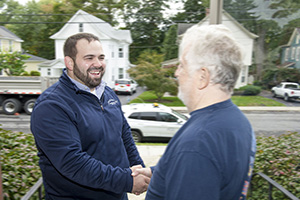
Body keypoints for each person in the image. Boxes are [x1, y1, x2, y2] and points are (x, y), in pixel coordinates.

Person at [134, 24, 256, 199]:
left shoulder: (198, 142)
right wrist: (157, 172)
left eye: (182, 65)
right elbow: (209, 169)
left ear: (202, 77)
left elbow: (198, 159)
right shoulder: (237, 122)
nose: (176, 73)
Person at [30, 32, 150, 200]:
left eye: (101, 57)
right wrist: (126, 181)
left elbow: (124, 137)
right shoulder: (52, 105)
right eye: (89, 58)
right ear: (69, 62)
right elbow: (72, 163)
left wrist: (138, 169)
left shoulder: (108, 94)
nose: (98, 64)